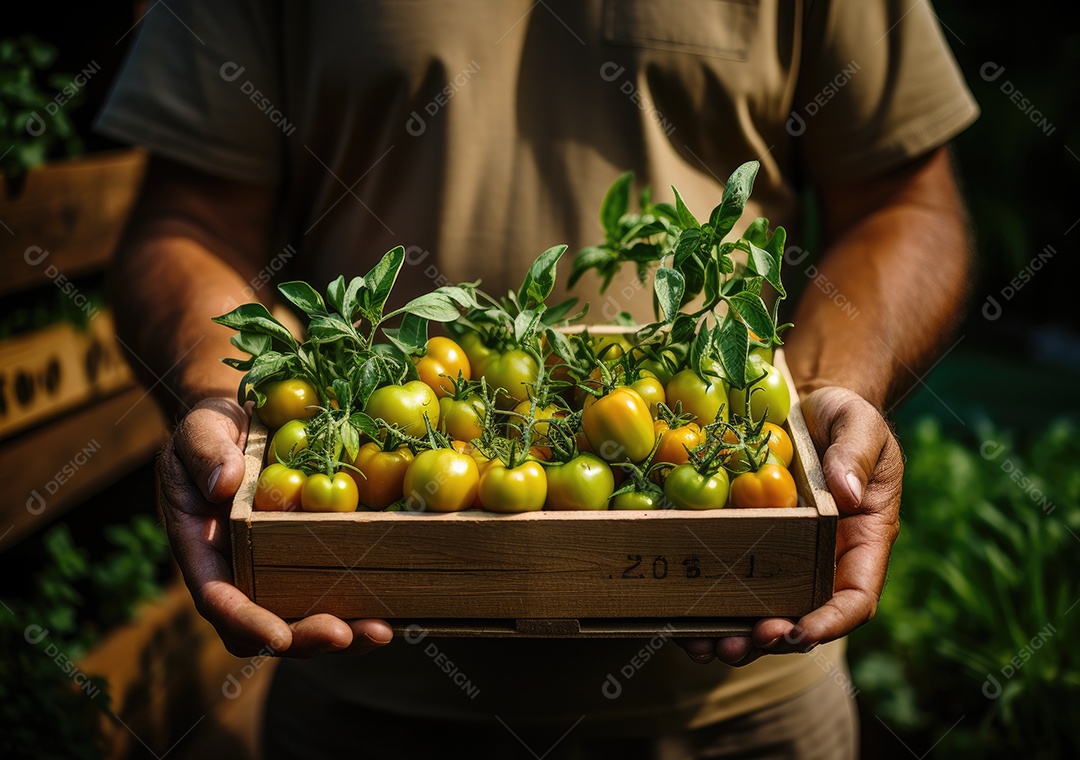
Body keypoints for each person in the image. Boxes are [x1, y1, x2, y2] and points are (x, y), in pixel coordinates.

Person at [98, 0, 977, 757]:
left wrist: (823, 396)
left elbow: (908, 206)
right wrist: (226, 400)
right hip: (361, 694)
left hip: (747, 707)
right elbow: (186, 221)